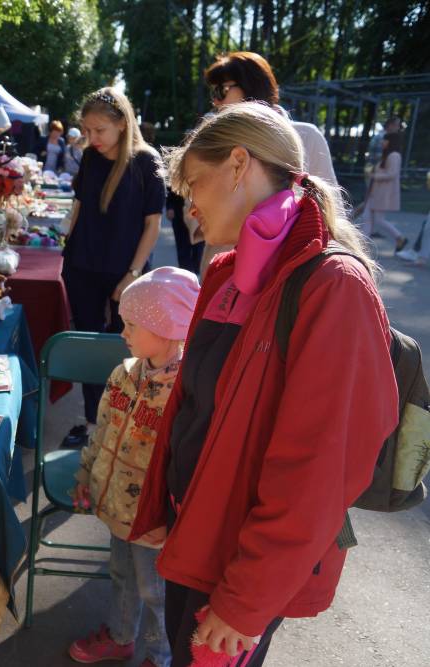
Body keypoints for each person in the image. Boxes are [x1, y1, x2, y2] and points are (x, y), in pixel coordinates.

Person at [129, 103, 398, 666]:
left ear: (237, 164)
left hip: (236, 569)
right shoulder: (230, 272)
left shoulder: (333, 286)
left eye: (194, 183)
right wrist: (162, 508)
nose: (190, 206)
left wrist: (246, 601)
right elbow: (195, 405)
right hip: (195, 538)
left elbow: (319, 470)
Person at [68, 267, 200, 667]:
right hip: (116, 506)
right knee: (122, 575)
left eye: (131, 324)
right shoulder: (122, 376)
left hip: (153, 519)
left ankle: (159, 656)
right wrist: (85, 476)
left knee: (155, 592)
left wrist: (172, 516)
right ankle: (122, 635)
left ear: (168, 328)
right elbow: (102, 429)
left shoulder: (184, 393)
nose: (122, 332)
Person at [60, 88, 166, 448]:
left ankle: (121, 421)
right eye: (87, 131)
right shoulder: (90, 158)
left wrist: (132, 275)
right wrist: (66, 246)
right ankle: (93, 422)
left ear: (122, 123)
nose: (91, 139)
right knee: (89, 343)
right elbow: (79, 207)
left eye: (99, 130)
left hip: (127, 272)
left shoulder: (146, 162)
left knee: (126, 350)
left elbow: (153, 225)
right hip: (82, 266)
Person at [200, 51, 339, 274]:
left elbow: (333, 211)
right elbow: (197, 206)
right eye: (213, 92)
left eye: (221, 90)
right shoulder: (215, 140)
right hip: (225, 270)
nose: (215, 101)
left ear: (251, 86)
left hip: (288, 269)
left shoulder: (307, 137)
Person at [359, 132, 407, 252]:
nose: (382, 142)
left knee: (378, 220)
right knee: (366, 217)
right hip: (376, 193)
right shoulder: (388, 155)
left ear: (391, 141)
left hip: (382, 194)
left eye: (385, 140)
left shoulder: (394, 155)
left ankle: (399, 237)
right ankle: (362, 245)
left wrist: (374, 175)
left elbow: (392, 174)